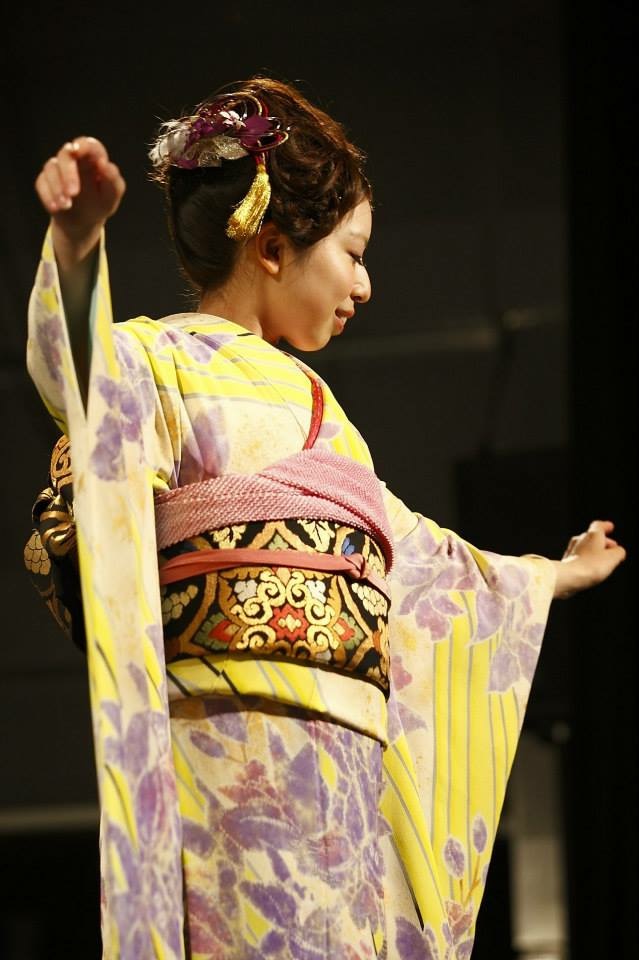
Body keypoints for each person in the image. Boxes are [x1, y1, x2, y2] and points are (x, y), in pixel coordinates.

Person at [27, 77, 624, 960]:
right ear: (271, 247)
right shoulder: (156, 357)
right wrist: (77, 246)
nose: (365, 284)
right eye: (352, 253)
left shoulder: (327, 415)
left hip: (345, 756)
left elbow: (414, 552)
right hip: (226, 734)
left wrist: (542, 577)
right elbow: (78, 383)